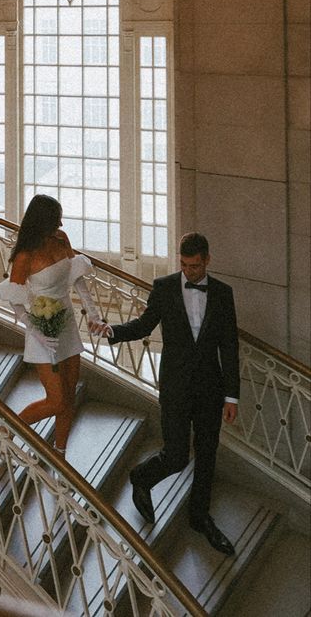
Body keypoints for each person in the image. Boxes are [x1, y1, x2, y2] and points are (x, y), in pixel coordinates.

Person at [96, 232, 239, 555]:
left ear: (207, 261)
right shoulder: (163, 288)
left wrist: (232, 396)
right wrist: (113, 331)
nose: (189, 271)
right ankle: (142, 478)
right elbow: (145, 325)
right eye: (184, 265)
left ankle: (199, 517)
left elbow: (229, 346)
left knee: (207, 454)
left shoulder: (223, 294)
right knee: (176, 454)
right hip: (175, 386)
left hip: (210, 389)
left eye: (196, 266)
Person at [0, 195, 102, 456]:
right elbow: (16, 302)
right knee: (57, 400)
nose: (61, 223)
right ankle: (7, 429)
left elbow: (77, 278)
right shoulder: (25, 256)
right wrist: (36, 333)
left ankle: (60, 455)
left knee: (69, 397)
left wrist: (93, 313)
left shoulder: (62, 239)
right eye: (56, 219)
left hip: (66, 323)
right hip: (41, 328)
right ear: (43, 221)